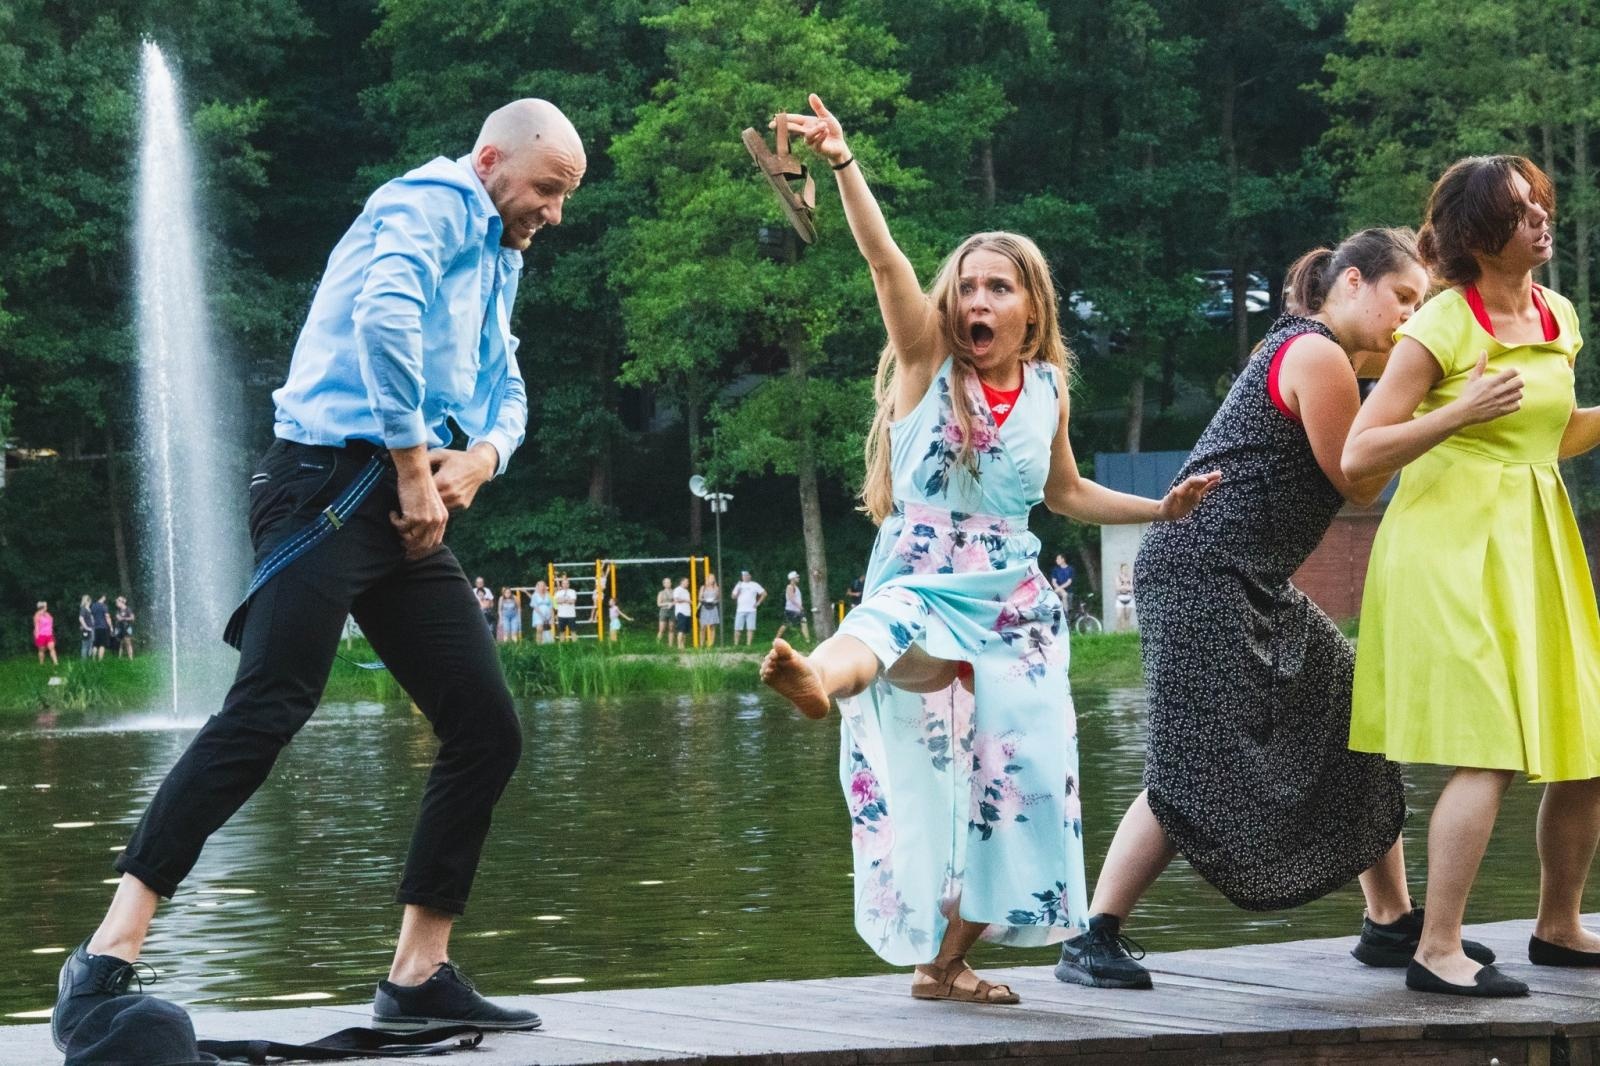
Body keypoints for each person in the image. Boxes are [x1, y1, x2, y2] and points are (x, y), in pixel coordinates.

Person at [50, 99, 584, 1051]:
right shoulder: (428, 203)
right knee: (267, 708)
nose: (553, 212)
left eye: (563, 197)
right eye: (546, 189)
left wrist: (483, 457)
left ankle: (418, 977)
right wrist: (417, 466)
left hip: (399, 503)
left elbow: (506, 384)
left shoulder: (498, 255)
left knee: (485, 727)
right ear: (490, 160)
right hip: (326, 488)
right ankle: (103, 956)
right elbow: (384, 319)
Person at [758, 95, 1218, 1006]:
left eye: (997, 288)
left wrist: (1161, 509)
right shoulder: (927, 362)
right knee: (883, 625)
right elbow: (886, 261)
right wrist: (844, 163)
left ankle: (944, 963)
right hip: (926, 570)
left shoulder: (1048, 388)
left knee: (1026, 784)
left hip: (1014, 603)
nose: (977, 300)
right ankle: (815, 679)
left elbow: (1064, 492)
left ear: (1031, 308)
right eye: (967, 286)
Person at [1057, 229, 1501, 991]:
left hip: (1253, 577)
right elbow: (1357, 481)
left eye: (1420, 304)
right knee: (1197, 757)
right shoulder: (1317, 353)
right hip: (1201, 571)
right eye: (1402, 297)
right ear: (1352, 282)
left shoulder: (1331, 358)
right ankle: (1093, 935)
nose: (1410, 316)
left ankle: (1390, 922)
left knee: (1354, 709)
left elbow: (1383, 426)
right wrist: (1452, 414)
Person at [1342, 156, 1600, 998]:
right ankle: (1437, 949)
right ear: (1480, 234)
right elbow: (1359, 454)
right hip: (1447, 548)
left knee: (1587, 745)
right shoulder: (1442, 324)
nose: (1541, 218)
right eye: (1521, 210)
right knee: (1489, 747)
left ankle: (1558, 926)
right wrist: (1459, 411)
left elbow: (1547, 433)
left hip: (1535, 541)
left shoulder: (1558, 315)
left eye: (1540, 204)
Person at [773, 570, 810, 644]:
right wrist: (800, 606)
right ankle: (776, 640)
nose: (798, 578)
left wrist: (799, 608)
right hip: (790, 610)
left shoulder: (796, 587)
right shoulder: (789, 587)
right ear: (793, 579)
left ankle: (807, 640)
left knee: (804, 622)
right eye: (797, 577)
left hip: (797, 610)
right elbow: (791, 598)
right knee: (785, 625)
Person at [730, 570, 766, 646]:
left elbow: (764, 593)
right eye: (743, 575)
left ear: (750, 576)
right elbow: (733, 597)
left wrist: (758, 603)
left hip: (751, 610)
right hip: (740, 610)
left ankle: (748, 645)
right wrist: (738, 591)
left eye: (746, 575)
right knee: (737, 628)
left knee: (750, 628)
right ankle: (736, 645)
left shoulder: (754, 584)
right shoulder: (739, 585)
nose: (745, 577)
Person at [697, 571, 721, 648]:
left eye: (713, 578)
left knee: (712, 626)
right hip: (704, 606)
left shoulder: (716, 588)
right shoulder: (703, 587)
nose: (712, 579)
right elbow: (699, 598)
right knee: (702, 626)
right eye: (710, 578)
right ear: (707, 579)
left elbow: (718, 598)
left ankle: (711, 644)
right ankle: (701, 644)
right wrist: (704, 600)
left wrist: (714, 600)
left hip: (713, 607)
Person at [552, 575, 578, 642]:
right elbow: (556, 601)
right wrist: (567, 600)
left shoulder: (572, 591)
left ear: (569, 584)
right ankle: (562, 646)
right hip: (561, 615)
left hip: (571, 615)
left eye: (567, 583)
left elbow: (573, 601)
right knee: (561, 632)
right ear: (562, 584)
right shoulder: (558, 593)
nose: (565, 585)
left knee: (573, 631)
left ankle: (576, 646)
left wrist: (562, 600)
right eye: (564, 583)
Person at [528, 580, 554, 645]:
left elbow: (551, 606)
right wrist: (541, 615)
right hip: (538, 614)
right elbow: (534, 606)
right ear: (538, 586)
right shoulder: (535, 595)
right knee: (539, 629)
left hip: (548, 614)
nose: (542, 587)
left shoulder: (548, 595)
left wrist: (551, 616)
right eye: (540, 585)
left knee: (547, 629)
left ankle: (546, 643)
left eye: (543, 585)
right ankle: (538, 644)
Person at [34, 601, 58, 666]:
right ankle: (41, 663)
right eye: (46, 606)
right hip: (41, 635)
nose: (47, 607)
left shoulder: (47, 614)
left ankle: (56, 663)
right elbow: (36, 626)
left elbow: (51, 622)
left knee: (52, 648)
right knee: (41, 650)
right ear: (42, 607)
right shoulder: (37, 615)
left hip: (49, 634)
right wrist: (36, 636)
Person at [90, 595, 114, 661]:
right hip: (103, 627)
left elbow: (91, 617)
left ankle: (93, 660)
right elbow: (107, 617)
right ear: (103, 597)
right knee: (102, 644)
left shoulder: (93, 606)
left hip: (95, 628)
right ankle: (100, 661)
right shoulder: (104, 606)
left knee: (95, 644)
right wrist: (111, 626)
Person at [671, 577, 693, 650]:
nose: (688, 583)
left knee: (684, 631)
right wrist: (686, 600)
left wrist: (689, 602)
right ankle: (679, 646)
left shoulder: (686, 591)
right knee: (681, 630)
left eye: (688, 582)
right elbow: (676, 599)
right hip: (681, 612)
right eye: (687, 582)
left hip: (687, 613)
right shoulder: (677, 589)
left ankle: (683, 646)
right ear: (682, 582)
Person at [1112, 564, 1134, 631]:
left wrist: (1123, 587)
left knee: (1127, 616)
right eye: (1124, 569)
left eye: (1127, 568)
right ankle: (1119, 632)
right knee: (1119, 616)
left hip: (1129, 598)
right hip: (1120, 598)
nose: (1125, 570)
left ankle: (1127, 632)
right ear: (1121, 570)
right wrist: (1126, 587)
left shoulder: (1131, 578)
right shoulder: (1118, 578)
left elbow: (1132, 588)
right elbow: (1118, 588)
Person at [655, 577, 674, 644]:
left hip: (672, 611)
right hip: (663, 611)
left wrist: (672, 603)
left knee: (671, 628)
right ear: (664, 584)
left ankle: (670, 646)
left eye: (669, 582)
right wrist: (667, 603)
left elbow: (676, 601)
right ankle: (657, 644)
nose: (668, 583)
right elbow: (658, 604)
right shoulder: (661, 593)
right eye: (667, 582)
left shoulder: (674, 592)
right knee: (661, 629)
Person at [77, 595, 93, 660]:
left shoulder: (89, 609)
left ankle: (88, 660)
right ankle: (83, 662)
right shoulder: (83, 609)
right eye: (89, 600)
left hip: (91, 629)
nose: (90, 601)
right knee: (85, 645)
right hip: (86, 630)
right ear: (86, 601)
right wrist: (86, 627)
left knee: (90, 645)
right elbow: (80, 618)